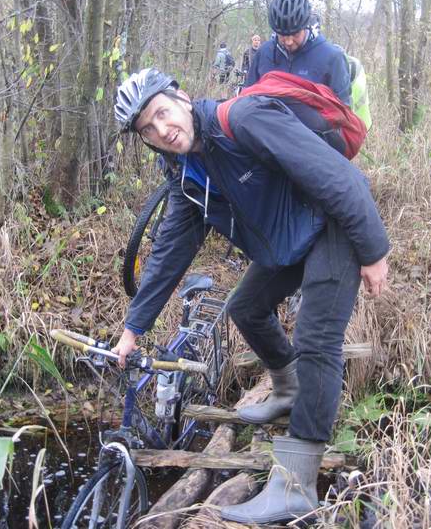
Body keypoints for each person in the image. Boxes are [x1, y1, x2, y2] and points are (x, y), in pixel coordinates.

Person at [112, 68, 390, 524]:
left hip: (333, 225)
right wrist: (132, 329)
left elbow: (341, 179)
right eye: (148, 129)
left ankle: (295, 489)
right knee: (245, 307)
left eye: (162, 113)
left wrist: (374, 251)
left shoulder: (243, 119)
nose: (162, 130)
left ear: (181, 97)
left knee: (316, 341)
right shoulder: (186, 176)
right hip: (291, 239)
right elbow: (168, 254)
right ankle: (289, 386)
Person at [246, 0, 352, 106]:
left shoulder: (332, 58)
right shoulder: (264, 53)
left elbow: (343, 113)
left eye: (295, 34)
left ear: (306, 26)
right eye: (283, 35)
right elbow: (247, 99)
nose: (289, 41)